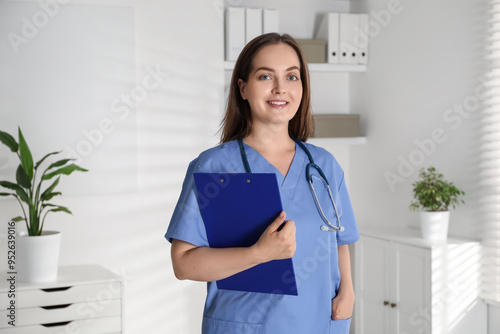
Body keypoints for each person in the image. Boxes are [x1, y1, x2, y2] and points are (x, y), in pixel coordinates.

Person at [165, 33, 360, 334]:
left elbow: (338, 240)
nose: (280, 88)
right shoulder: (214, 167)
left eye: (292, 77)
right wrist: (259, 253)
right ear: (242, 88)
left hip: (320, 322)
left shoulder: (323, 166)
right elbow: (184, 264)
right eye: (265, 75)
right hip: (246, 326)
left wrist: (348, 292)